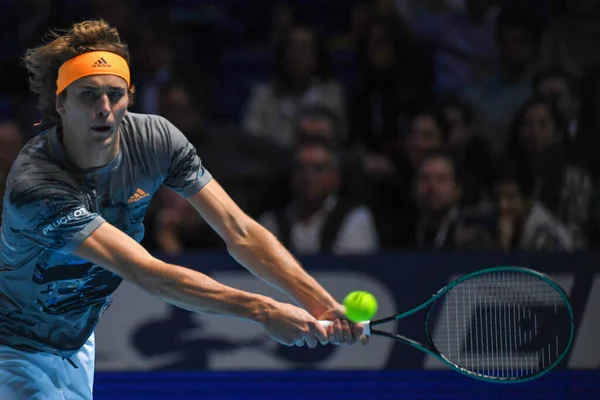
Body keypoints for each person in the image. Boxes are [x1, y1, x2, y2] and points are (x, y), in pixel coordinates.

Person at [0, 20, 366, 400]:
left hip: (76, 342)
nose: (104, 109)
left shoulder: (156, 140)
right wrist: (264, 310)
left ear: (131, 96)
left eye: (115, 94)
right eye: (88, 95)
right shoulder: (37, 185)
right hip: (11, 346)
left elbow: (239, 231)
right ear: (61, 102)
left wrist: (321, 303)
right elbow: (147, 272)